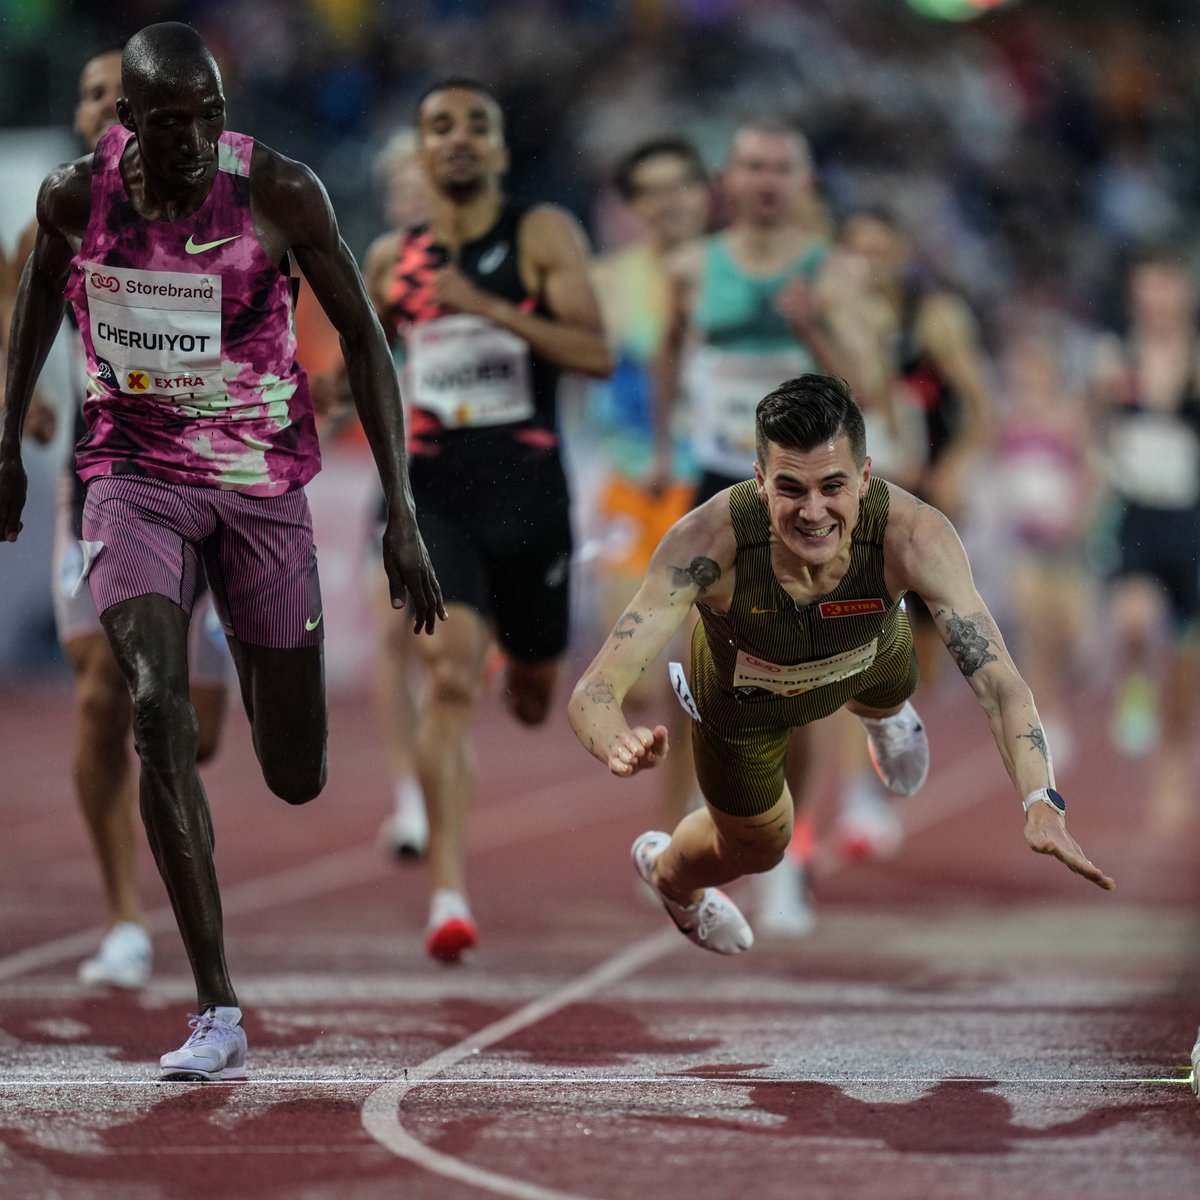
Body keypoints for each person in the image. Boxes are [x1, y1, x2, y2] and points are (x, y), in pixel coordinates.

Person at [0, 22, 443, 1080]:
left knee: (295, 771)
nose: (193, 139)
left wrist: (402, 509)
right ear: (127, 124)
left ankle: (256, 670)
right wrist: (9, 438)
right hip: (130, 479)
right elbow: (31, 307)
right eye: (168, 122)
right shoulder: (74, 197)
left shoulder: (280, 193)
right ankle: (215, 1006)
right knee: (150, 702)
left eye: (207, 116)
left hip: (258, 491)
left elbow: (370, 344)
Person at [569, 374, 1114, 959]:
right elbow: (594, 691)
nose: (812, 512)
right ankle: (668, 873)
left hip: (866, 655)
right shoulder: (704, 543)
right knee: (759, 847)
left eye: (833, 486)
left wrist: (1041, 803)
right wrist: (615, 743)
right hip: (743, 699)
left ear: (865, 476)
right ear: (758, 482)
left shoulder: (914, 535)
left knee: (893, 667)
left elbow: (1001, 686)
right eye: (790, 490)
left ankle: (884, 715)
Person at [360, 78, 611, 961]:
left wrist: (493, 309)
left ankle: (526, 657)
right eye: (441, 126)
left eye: (477, 125)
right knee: (450, 677)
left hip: (532, 491)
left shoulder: (539, 234)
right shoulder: (393, 258)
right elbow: (369, 362)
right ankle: (448, 894)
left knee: (535, 700)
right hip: (439, 492)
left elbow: (597, 352)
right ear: (422, 153)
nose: (459, 139)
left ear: (499, 151)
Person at [4, 47, 234, 991]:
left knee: (195, 728)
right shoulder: (58, 217)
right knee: (109, 690)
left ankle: (168, 863)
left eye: (127, 99)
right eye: (96, 96)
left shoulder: (230, 213)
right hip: (103, 484)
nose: (114, 111)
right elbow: (11, 314)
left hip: (222, 486)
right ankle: (124, 918)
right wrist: (18, 407)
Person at [650, 118, 899, 934]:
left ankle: (790, 861)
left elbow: (873, 386)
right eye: (751, 165)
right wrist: (660, 446)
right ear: (728, 176)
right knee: (708, 672)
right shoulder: (691, 265)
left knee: (805, 682)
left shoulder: (836, 270)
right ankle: (718, 831)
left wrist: (811, 327)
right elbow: (669, 352)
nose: (764, 180)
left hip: (811, 499)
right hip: (719, 477)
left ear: (802, 180)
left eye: (780, 167)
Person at [583, 135, 712, 835]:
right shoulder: (607, 283)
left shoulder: (731, 274)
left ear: (703, 194)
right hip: (632, 484)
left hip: (713, 485)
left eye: (680, 185)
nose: (668, 203)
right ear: (632, 207)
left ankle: (681, 825)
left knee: (691, 678)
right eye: (651, 191)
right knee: (624, 675)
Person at [1088, 247, 1200, 835]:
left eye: (1166, 289)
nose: (1156, 302)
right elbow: (1092, 424)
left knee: (1187, 666)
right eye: (1147, 290)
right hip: (1136, 511)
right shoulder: (1117, 357)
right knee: (1132, 618)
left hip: (1190, 516)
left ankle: (1173, 776)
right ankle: (1133, 681)